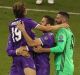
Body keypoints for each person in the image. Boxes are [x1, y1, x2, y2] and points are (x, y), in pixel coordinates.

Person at [6, 1, 68, 75]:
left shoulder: (49, 36)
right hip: (31, 62)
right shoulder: (28, 22)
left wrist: (23, 48)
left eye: (42, 22)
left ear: (48, 25)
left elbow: (32, 43)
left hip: (42, 68)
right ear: (24, 11)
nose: (40, 23)